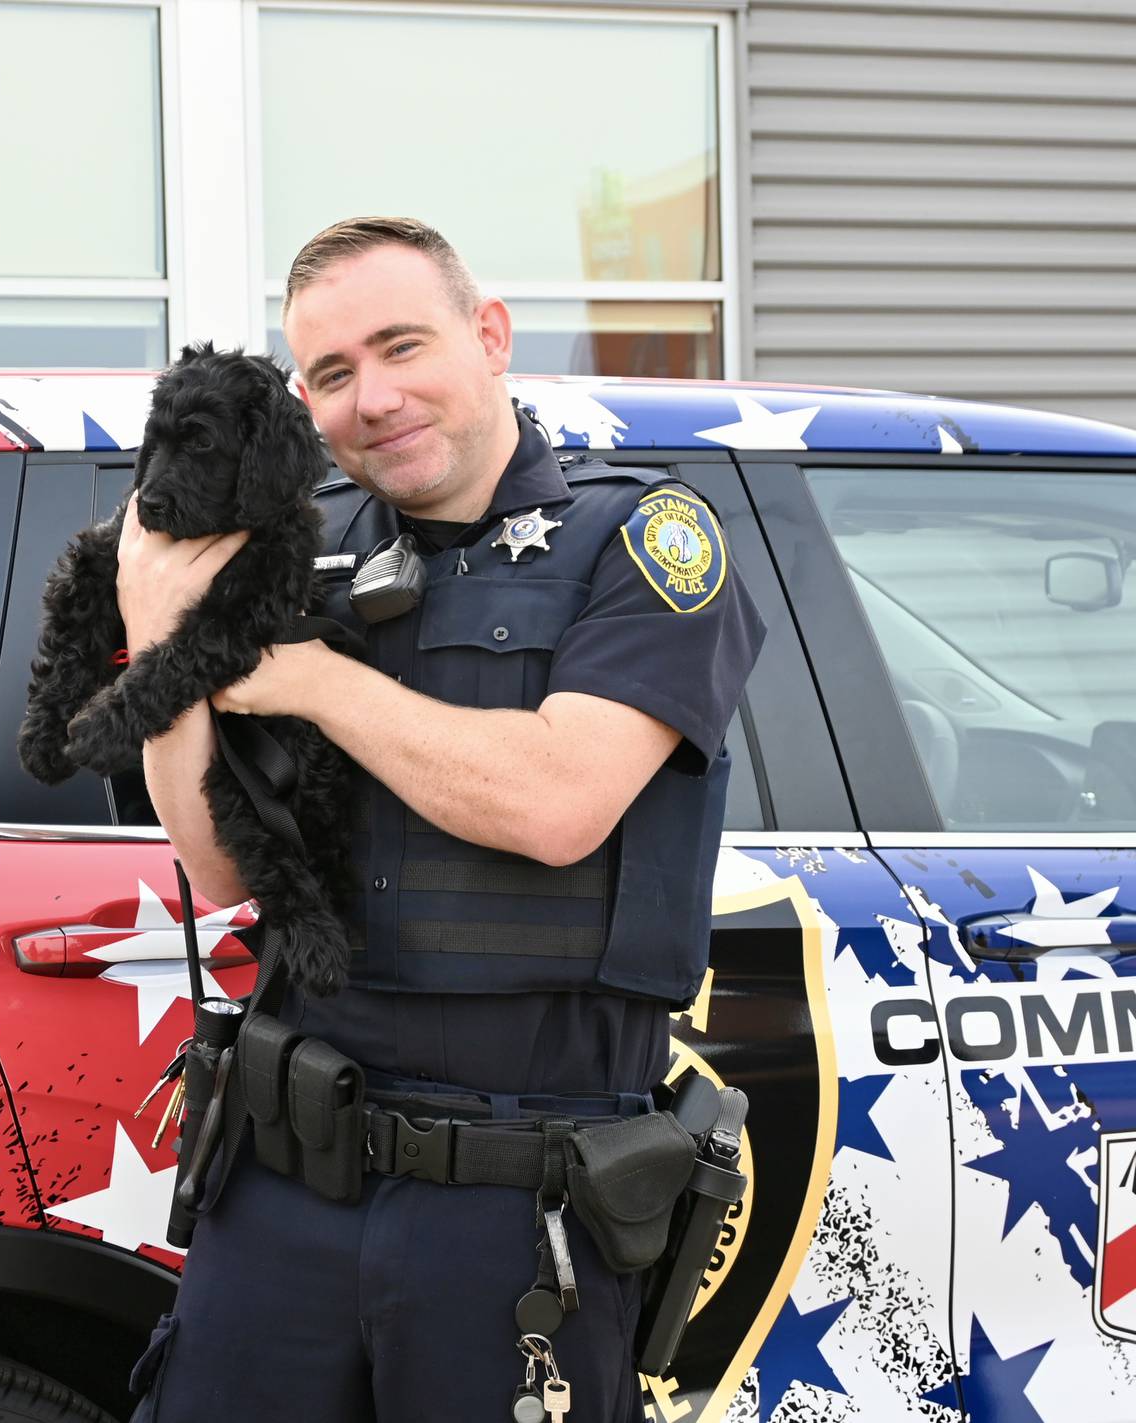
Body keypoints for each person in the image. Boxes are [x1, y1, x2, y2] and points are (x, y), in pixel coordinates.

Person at [118, 217, 766, 1423]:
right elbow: (218, 867)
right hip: (281, 1184)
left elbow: (559, 802)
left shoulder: (642, 540)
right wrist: (163, 654)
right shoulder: (294, 557)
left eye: (399, 345)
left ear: (490, 335)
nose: (372, 397)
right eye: (330, 374)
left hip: (516, 1221)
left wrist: (314, 681)